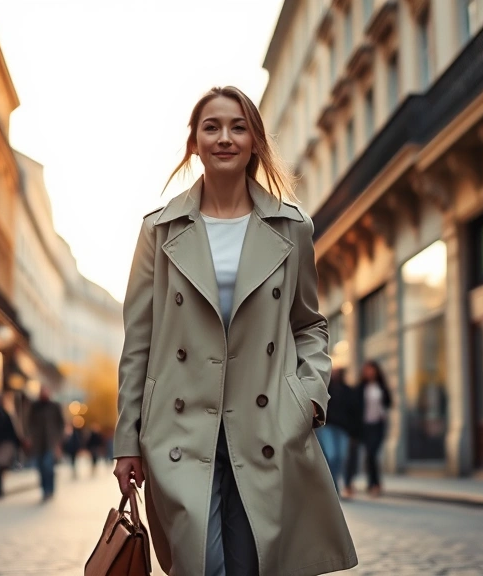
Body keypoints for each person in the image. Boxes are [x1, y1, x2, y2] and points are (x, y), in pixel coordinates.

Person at [112, 86, 358, 576]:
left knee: (251, 566)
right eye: (212, 127)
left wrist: (308, 396)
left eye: (238, 127)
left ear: (254, 142)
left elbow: (309, 324)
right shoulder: (158, 231)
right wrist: (127, 440)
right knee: (200, 564)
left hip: (265, 423)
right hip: (178, 428)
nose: (225, 137)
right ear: (194, 144)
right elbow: (138, 340)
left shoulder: (292, 228)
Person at [343, 360, 392, 498]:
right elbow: (353, 408)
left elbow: (389, 402)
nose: (369, 373)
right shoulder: (359, 389)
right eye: (367, 370)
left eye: (372, 370)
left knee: (372, 454)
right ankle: (348, 484)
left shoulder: (381, 387)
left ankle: (374, 484)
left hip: (377, 426)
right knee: (353, 455)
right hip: (361, 426)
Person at [315, 367, 359, 494]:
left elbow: (354, 412)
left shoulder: (348, 391)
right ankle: (333, 486)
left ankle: (335, 482)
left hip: (343, 428)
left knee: (342, 456)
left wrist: (353, 430)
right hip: (328, 427)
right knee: (332, 455)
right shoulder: (325, 389)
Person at [26, 386, 65, 501]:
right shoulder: (35, 406)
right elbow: (29, 423)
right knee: (41, 467)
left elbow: (61, 424)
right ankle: (44, 489)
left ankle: (50, 490)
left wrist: (59, 440)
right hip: (38, 443)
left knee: (48, 466)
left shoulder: (55, 406)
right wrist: (29, 437)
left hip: (51, 443)